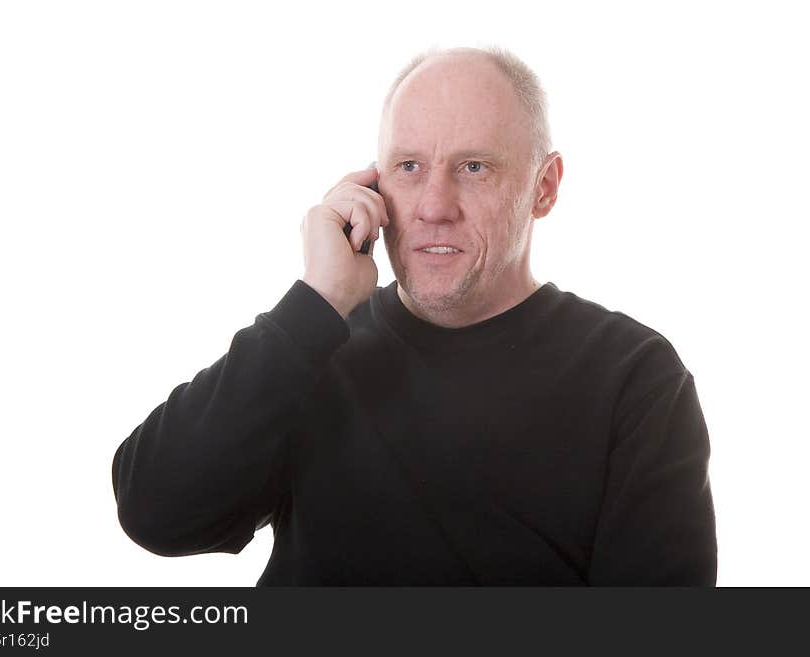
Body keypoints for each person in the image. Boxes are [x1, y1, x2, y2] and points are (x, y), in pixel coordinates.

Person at [111, 45, 717, 585]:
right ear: (372, 186)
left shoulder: (635, 377)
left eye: (474, 167)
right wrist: (316, 302)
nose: (433, 206)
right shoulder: (315, 345)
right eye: (408, 167)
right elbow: (156, 513)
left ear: (545, 187)